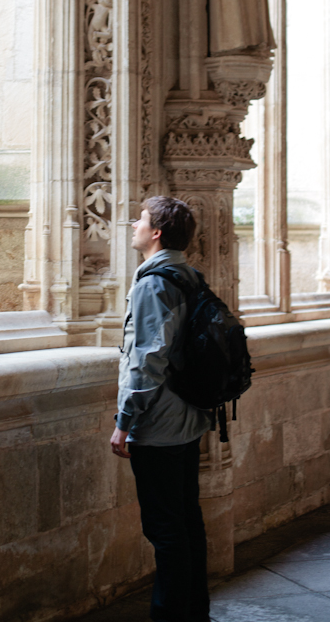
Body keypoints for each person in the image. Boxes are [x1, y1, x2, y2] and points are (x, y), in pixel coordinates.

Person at [110, 196, 212, 622]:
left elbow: (147, 359)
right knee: (187, 520)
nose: (134, 223)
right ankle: (195, 613)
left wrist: (124, 422)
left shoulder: (153, 282)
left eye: (142, 219)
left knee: (165, 528)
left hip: (160, 423)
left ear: (156, 233)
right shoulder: (188, 274)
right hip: (188, 416)